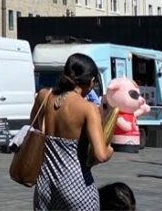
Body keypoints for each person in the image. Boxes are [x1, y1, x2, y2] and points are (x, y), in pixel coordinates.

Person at [32, 53, 113, 211]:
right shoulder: (88, 109)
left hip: (44, 185)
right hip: (76, 185)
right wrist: (110, 150)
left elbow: (35, 128)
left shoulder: (44, 96)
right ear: (90, 82)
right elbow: (101, 155)